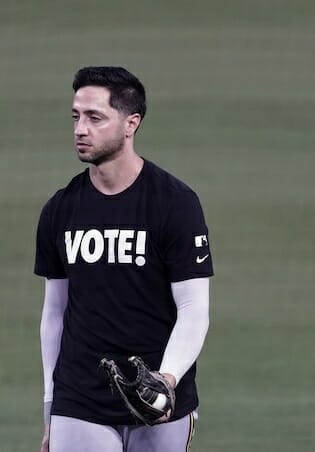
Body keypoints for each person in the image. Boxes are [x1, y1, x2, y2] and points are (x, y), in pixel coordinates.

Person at [35, 66, 213, 452]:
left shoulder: (175, 204)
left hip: (161, 404)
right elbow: (54, 312)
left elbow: (194, 308)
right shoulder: (60, 210)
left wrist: (166, 380)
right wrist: (51, 404)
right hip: (79, 400)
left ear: (131, 123)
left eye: (95, 117)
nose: (80, 129)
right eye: (76, 116)